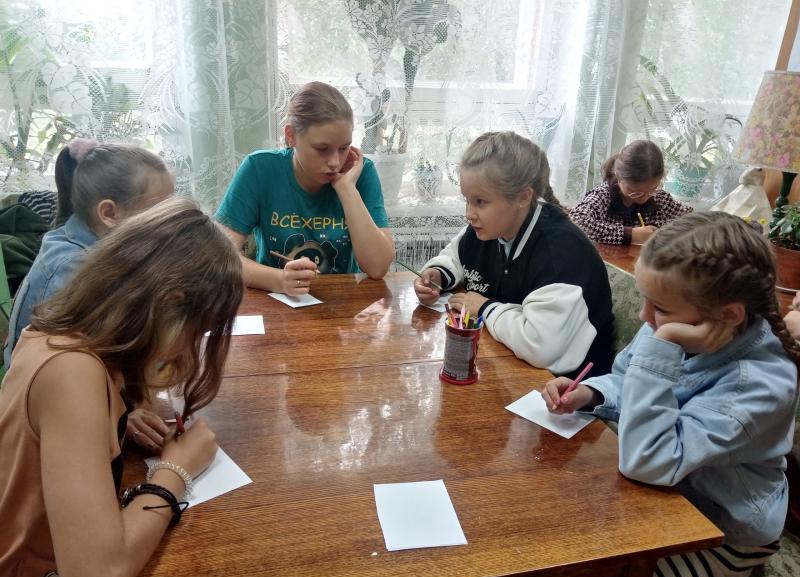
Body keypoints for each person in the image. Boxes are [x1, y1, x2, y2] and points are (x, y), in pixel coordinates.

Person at [543, 212, 799, 577]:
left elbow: (648, 461)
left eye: (659, 307)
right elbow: (630, 381)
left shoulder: (757, 385)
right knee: (563, 560)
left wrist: (662, 344)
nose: (644, 317)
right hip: (661, 497)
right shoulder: (669, 325)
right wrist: (593, 394)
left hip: (723, 532)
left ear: (729, 315)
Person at [0, 198, 243, 577]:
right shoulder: (72, 372)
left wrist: (113, 424)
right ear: (169, 305)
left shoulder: (67, 338)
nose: (191, 348)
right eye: (198, 331)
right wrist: (176, 471)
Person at [4, 139, 176, 451]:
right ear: (109, 213)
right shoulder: (72, 270)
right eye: (158, 213)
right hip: (44, 426)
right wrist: (122, 414)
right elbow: (70, 376)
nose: (170, 226)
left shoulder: (106, 243)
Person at [413, 131, 614, 378]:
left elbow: (539, 346)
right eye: (467, 200)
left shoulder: (560, 252)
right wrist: (437, 274)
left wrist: (484, 308)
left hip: (565, 389)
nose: (469, 213)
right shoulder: (490, 227)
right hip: (507, 363)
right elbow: (454, 255)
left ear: (523, 197)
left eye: (480, 202)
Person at [215, 81, 394, 295]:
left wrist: (347, 189)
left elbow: (377, 268)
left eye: (344, 148)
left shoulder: (361, 172)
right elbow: (218, 256)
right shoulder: (259, 168)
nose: (335, 162)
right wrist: (279, 280)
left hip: (343, 304)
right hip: (277, 300)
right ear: (291, 136)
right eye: (322, 149)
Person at [569, 139, 692, 245]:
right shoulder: (603, 196)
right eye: (635, 192)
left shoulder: (659, 197)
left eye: (652, 189)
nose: (644, 198)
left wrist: (659, 230)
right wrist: (630, 234)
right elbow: (576, 221)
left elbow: (691, 220)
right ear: (619, 177)